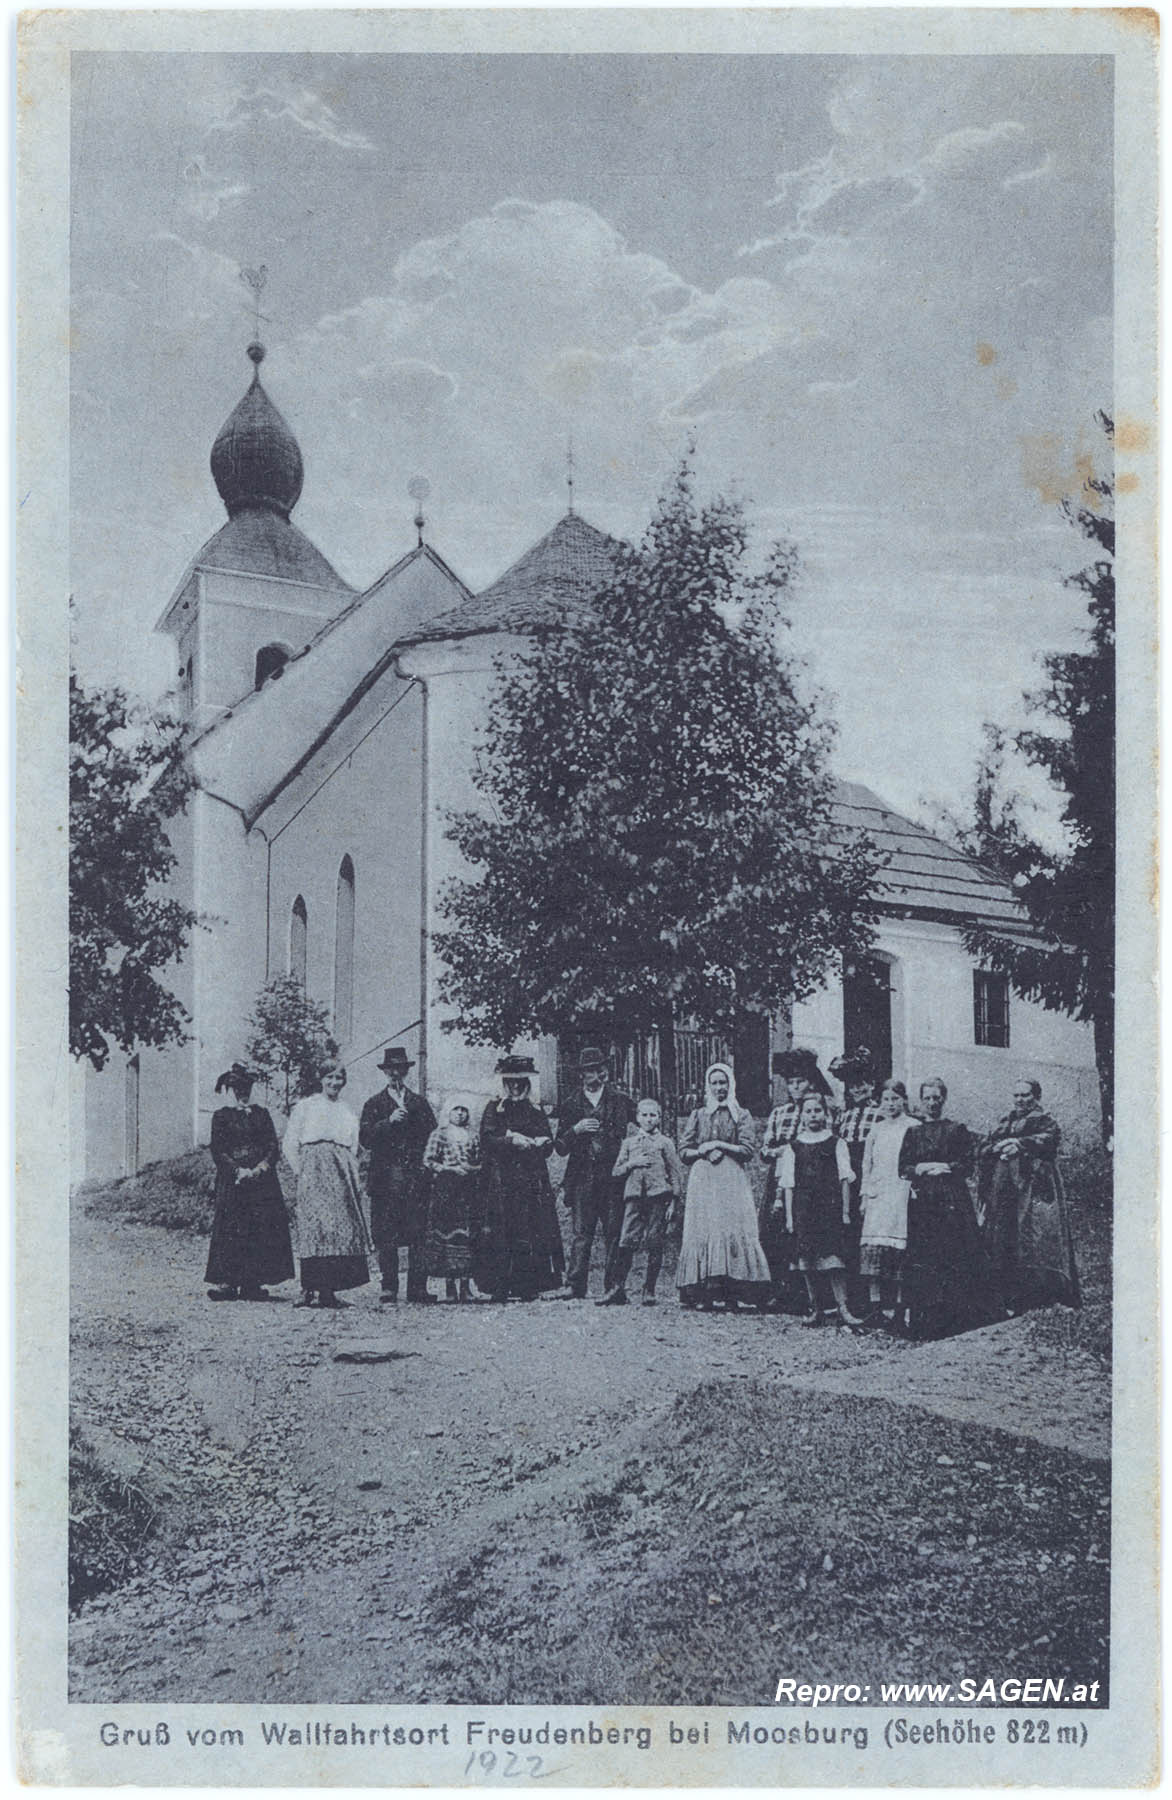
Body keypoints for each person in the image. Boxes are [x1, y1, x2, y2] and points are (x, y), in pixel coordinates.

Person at [898, 1077, 993, 1338]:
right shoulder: (913, 1132)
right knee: (924, 1256)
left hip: (952, 1200)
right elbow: (902, 1167)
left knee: (953, 1254)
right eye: (927, 1098)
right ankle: (925, 1321)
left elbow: (967, 1164)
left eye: (936, 1098)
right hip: (923, 1201)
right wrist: (921, 1168)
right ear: (921, 1101)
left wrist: (947, 1167)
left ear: (944, 1099)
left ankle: (956, 1318)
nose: (932, 1103)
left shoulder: (956, 1129)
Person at [978, 1079, 1080, 1313]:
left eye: (1025, 1095)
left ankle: (1040, 1297)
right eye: (1016, 1095)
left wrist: (1020, 1144)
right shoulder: (1004, 1122)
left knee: (1034, 1240)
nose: (1020, 1100)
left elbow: (1049, 1140)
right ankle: (1008, 1298)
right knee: (1003, 1238)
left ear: (1036, 1097)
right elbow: (984, 1146)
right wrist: (999, 1147)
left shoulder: (1046, 1121)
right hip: (1004, 1191)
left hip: (1034, 1192)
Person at [676, 1063, 771, 1313]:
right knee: (706, 1228)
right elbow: (684, 1150)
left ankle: (733, 1292)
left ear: (731, 1084)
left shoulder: (742, 1114)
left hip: (731, 1180)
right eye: (715, 1083)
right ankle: (704, 1293)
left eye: (723, 1082)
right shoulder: (698, 1114)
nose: (720, 1088)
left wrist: (721, 1145)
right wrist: (703, 1150)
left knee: (731, 1228)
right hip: (704, 1179)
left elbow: (748, 1149)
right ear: (709, 1085)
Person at [475, 1055, 566, 1301]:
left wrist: (542, 1142)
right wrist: (511, 1140)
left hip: (530, 1179)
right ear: (504, 1083)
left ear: (527, 1084)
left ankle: (529, 1285)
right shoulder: (494, 1108)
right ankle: (499, 1286)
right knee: (501, 1230)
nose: (515, 1087)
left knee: (532, 1229)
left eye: (520, 1083)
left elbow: (547, 1144)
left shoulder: (535, 1110)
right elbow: (487, 1140)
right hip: (501, 1180)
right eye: (511, 1083)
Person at [283, 1059, 372, 1308]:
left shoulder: (346, 1111)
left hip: (341, 1173)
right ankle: (307, 1289)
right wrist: (303, 1172)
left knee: (337, 1230)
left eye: (339, 1078)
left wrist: (349, 1172)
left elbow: (352, 1146)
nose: (334, 1083)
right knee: (314, 1228)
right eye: (329, 1077)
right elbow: (290, 1142)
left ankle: (329, 1291)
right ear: (321, 1079)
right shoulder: (306, 1106)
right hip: (313, 1171)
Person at [549, 1047, 635, 1300]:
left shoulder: (619, 1100)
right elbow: (560, 1147)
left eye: (600, 1069)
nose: (597, 1074)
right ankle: (575, 1285)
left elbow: (645, 1123)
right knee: (581, 1233)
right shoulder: (571, 1103)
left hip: (613, 1175)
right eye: (591, 1070)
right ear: (582, 1075)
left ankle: (615, 1286)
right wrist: (575, 1129)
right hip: (582, 1176)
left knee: (613, 1231)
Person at [205, 1062, 294, 1302]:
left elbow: (272, 1146)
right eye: (237, 1088)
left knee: (260, 1227)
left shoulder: (262, 1114)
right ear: (230, 1090)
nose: (242, 1093)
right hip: (233, 1181)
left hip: (261, 1181)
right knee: (232, 1227)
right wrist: (237, 1170)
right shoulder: (221, 1116)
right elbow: (218, 1149)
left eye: (246, 1088)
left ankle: (253, 1282)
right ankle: (228, 1282)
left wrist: (262, 1166)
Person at [776, 1092, 864, 1326]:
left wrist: (845, 1211)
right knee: (806, 1260)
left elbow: (845, 1178)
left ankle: (842, 1307)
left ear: (826, 1114)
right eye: (808, 1111)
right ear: (802, 1116)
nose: (813, 1115)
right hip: (803, 1209)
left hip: (829, 1207)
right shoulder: (794, 1146)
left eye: (818, 1110)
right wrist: (789, 1218)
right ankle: (815, 1308)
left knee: (834, 1260)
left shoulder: (836, 1143)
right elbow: (788, 1184)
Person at [359, 1046, 438, 1305]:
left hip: (415, 1177)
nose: (396, 1073)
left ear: (406, 1072)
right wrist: (388, 1121)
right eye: (391, 1069)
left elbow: (432, 1136)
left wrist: (426, 1166)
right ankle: (389, 1287)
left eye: (400, 1069)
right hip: (385, 1178)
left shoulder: (419, 1103)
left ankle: (417, 1288)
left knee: (417, 1232)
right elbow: (365, 1139)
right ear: (385, 1072)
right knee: (386, 1233)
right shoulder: (374, 1104)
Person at [758, 1048, 835, 1311]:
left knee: (808, 1232)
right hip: (779, 1178)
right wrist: (778, 1151)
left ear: (811, 1082)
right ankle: (780, 1290)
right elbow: (764, 1149)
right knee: (776, 1230)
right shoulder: (779, 1113)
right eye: (790, 1083)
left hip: (810, 1179)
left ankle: (811, 1295)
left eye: (800, 1082)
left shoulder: (820, 1111)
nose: (795, 1087)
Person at [598, 1098, 686, 1307]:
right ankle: (618, 1288)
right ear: (637, 1118)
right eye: (644, 1115)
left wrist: (673, 1202)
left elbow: (675, 1175)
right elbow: (616, 1171)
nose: (648, 1119)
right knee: (626, 1241)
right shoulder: (629, 1143)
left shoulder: (665, 1143)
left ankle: (649, 1290)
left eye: (652, 1115)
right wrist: (632, 1163)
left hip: (658, 1198)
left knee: (654, 1241)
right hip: (634, 1198)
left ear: (659, 1117)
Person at [858, 1079, 915, 1327]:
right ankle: (876, 1307)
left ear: (903, 1100)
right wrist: (864, 1195)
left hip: (902, 1193)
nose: (890, 1104)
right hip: (878, 1195)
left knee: (900, 1251)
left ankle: (900, 1311)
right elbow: (866, 1164)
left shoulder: (913, 1126)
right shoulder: (876, 1129)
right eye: (886, 1100)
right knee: (874, 1250)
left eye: (895, 1099)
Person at [423, 1103, 479, 1303]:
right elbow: (428, 1161)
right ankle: (449, 1286)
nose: (460, 1113)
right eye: (456, 1109)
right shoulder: (440, 1134)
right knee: (447, 1235)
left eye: (464, 1109)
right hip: (446, 1189)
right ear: (448, 1112)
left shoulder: (472, 1135)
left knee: (467, 1234)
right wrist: (450, 1169)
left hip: (467, 1189)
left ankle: (465, 1286)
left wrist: (471, 1167)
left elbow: (480, 1160)